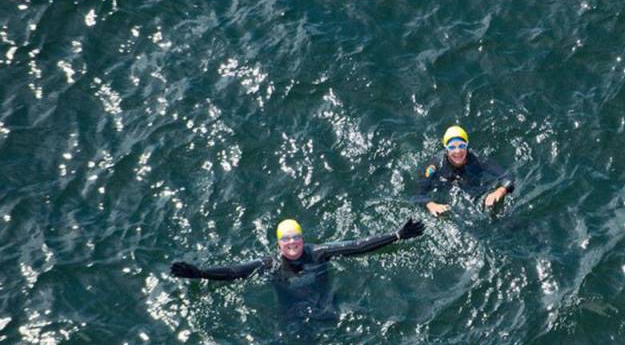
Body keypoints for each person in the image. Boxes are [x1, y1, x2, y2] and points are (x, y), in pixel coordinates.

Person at [170, 217, 424, 320]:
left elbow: (357, 247)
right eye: (286, 239)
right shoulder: (271, 264)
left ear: (302, 239)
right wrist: (201, 273)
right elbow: (234, 272)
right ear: (279, 244)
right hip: (292, 314)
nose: (292, 243)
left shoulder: (319, 253)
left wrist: (397, 235)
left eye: (295, 237)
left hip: (325, 304)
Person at [414, 125, 515, 216]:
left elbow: (508, 175)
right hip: (445, 192)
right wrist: (430, 204)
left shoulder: (478, 160)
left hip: (473, 189)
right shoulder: (435, 165)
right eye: (452, 147)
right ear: (446, 149)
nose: (457, 151)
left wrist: (500, 191)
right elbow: (418, 195)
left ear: (467, 145)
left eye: (461, 146)